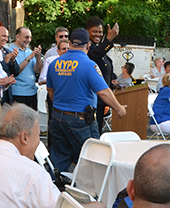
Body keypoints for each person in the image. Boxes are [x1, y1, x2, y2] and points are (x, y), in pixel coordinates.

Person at [47, 29, 126, 172]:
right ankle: (86, 190)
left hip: (57, 117)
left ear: (70, 43)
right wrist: (119, 108)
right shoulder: (89, 65)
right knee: (92, 157)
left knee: (60, 157)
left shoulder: (55, 64)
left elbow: (50, 91)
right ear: (88, 45)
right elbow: (103, 91)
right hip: (80, 119)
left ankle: (55, 188)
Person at [85, 17, 119, 133]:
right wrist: (109, 38)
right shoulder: (88, 48)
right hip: (94, 100)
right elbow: (94, 57)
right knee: (94, 133)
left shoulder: (100, 49)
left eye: (100, 32)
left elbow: (104, 71)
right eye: (94, 31)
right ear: (87, 31)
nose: (98, 35)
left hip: (102, 101)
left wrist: (113, 83)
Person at [10, 26, 42, 110]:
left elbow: (38, 70)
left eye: (30, 37)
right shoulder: (10, 51)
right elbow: (16, 71)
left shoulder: (30, 51)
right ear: (17, 37)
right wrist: (29, 57)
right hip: (18, 93)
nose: (29, 40)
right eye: (26, 37)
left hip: (32, 92)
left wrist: (38, 58)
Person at [0, 25, 19, 105]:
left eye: (7, 37)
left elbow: (16, 72)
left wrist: (12, 60)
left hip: (7, 95)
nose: (6, 39)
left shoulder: (7, 51)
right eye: (3, 36)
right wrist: (5, 61)